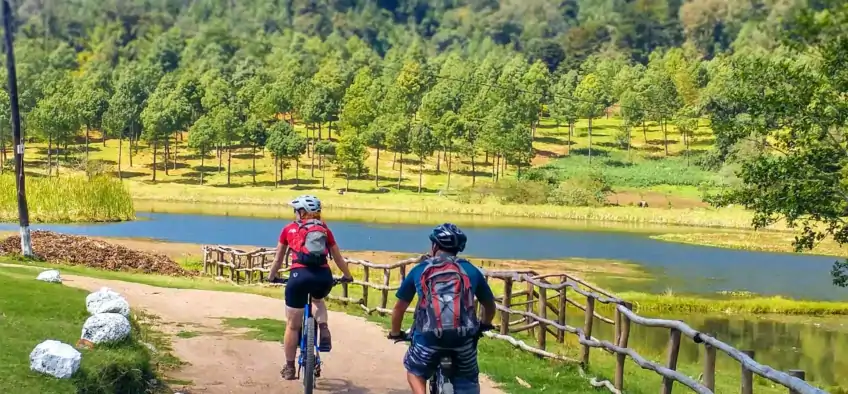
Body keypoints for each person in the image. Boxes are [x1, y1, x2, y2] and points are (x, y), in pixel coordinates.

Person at [387, 223, 496, 394]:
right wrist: (484, 324)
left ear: (435, 245)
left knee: (415, 372)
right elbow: (489, 305)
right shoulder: (471, 270)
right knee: (468, 378)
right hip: (463, 340)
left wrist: (395, 332)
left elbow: (399, 309)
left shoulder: (420, 269)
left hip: (428, 338)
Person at [267, 194, 354, 380]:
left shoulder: (288, 229)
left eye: (296, 210)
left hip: (299, 277)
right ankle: (323, 327)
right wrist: (348, 276)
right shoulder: (324, 230)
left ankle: (290, 368)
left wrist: (271, 276)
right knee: (318, 300)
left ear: (302, 212)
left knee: (292, 325)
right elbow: (338, 257)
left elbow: (278, 258)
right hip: (323, 276)